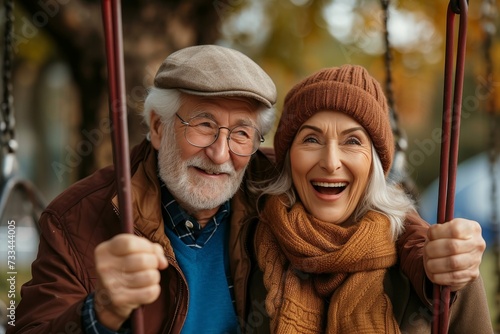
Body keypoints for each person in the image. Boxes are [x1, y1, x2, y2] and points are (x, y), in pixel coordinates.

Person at [8, 46, 485, 334]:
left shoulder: (268, 179)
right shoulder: (77, 218)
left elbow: (378, 214)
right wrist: (101, 313)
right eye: (203, 124)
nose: (220, 153)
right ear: (156, 127)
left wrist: (434, 253)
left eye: (240, 133)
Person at [253, 64, 492, 333]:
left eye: (353, 142)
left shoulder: (444, 267)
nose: (331, 163)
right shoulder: (249, 234)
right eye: (311, 139)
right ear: (287, 158)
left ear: (375, 165)